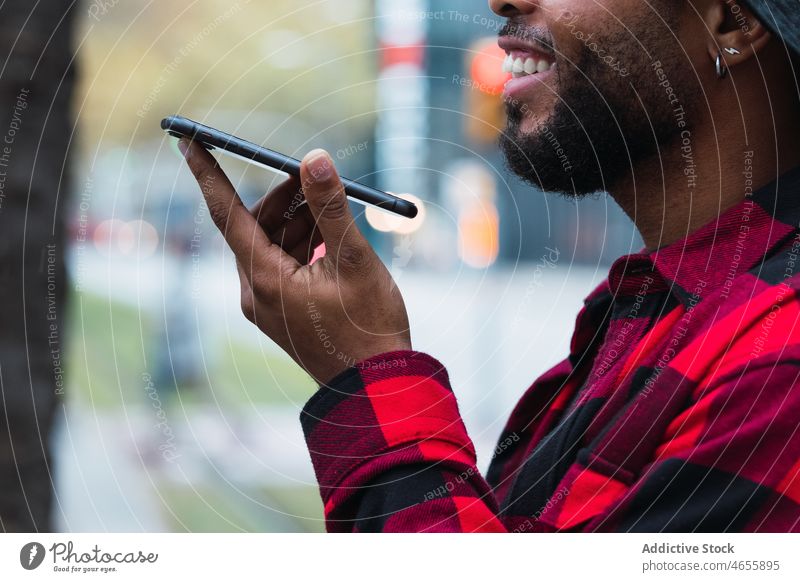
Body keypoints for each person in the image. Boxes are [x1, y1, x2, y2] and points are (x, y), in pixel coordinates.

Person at [178, 0, 800, 532]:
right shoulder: (650, 314)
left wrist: (368, 373)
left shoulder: (780, 354)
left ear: (730, 22)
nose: (501, 2)